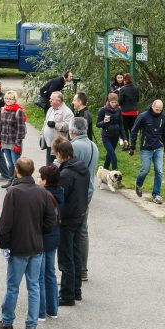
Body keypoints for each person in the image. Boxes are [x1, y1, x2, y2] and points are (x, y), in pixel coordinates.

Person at [0, 157, 58, 329]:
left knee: (13, 286)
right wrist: (39, 232)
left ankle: (7, 322)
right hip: (36, 246)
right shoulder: (43, 193)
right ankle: (31, 326)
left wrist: (4, 243)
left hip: (18, 247)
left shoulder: (13, 193)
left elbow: (5, 224)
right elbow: (51, 221)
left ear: (17, 171)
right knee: (34, 286)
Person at [54, 140, 90, 306]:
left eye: (56, 153)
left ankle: (67, 295)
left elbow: (60, 197)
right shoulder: (82, 168)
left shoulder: (66, 174)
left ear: (61, 154)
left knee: (65, 257)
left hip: (67, 218)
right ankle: (76, 290)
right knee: (75, 254)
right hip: (80, 214)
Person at [69, 117, 99, 283]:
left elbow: (66, 167)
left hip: (77, 193)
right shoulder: (93, 145)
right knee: (83, 230)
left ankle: (77, 270)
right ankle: (83, 269)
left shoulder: (74, 146)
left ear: (72, 130)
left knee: (74, 231)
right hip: (88, 190)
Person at [129, 99, 165, 205]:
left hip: (158, 148)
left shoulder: (163, 118)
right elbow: (134, 131)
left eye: (160, 110)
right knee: (145, 170)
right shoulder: (143, 116)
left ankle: (156, 194)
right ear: (152, 106)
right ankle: (138, 184)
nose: (158, 111)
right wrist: (132, 146)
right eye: (157, 109)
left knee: (159, 171)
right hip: (146, 148)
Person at [38, 165, 63, 319]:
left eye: (40, 177)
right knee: (50, 273)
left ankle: (40, 312)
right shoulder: (60, 191)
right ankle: (53, 309)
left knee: (39, 275)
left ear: (46, 181)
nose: (38, 179)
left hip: (42, 237)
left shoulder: (43, 196)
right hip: (54, 235)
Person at [0, 91, 27, 189]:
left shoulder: (19, 111)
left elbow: (21, 129)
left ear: (15, 100)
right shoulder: (2, 109)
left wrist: (18, 143)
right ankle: (10, 180)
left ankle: (17, 182)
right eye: (7, 98)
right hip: (5, 141)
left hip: (14, 142)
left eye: (11, 99)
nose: (8, 100)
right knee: (9, 163)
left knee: (16, 163)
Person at [40, 91, 74, 165]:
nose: (50, 100)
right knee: (48, 166)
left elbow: (68, 126)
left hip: (58, 147)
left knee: (55, 167)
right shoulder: (50, 109)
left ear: (58, 101)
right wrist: (42, 133)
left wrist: (55, 125)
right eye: (50, 99)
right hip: (49, 144)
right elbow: (45, 122)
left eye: (52, 99)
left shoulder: (67, 112)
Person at [96, 92, 124, 171]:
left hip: (115, 136)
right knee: (113, 157)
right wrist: (104, 122)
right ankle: (116, 175)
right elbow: (97, 124)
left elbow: (121, 125)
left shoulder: (119, 110)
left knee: (109, 155)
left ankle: (104, 171)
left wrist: (124, 138)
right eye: (112, 102)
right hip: (106, 136)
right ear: (108, 101)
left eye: (115, 102)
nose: (114, 104)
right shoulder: (103, 110)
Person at [118, 72, 140, 150]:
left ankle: (126, 145)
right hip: (134, 111)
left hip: (125, 112)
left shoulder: (123, 89)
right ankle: (133, 144)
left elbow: (120, 101)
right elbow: (137, 99)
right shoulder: (136, 88)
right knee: (133, 128)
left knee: (124, 129)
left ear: (125, 80)